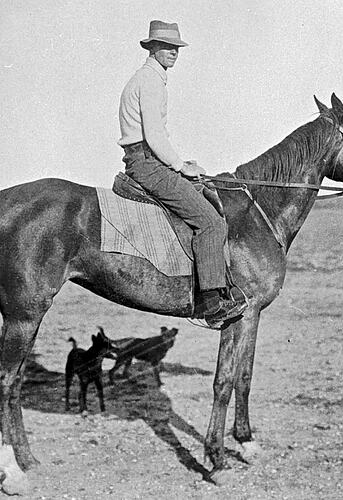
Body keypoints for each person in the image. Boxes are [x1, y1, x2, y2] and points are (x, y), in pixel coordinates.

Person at [118, 20, 246, 324]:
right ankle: (212, 304)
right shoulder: (149, 81)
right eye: (166, 46)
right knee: (212, 223)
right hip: (146, 163)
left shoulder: (150, 78)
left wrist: (181, 164)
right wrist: (179, 166)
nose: (174, 52)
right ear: (152, 48)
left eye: (176, 47)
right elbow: (155, 136)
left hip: (147, 159)